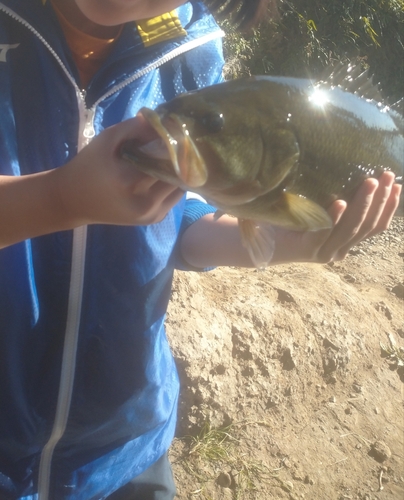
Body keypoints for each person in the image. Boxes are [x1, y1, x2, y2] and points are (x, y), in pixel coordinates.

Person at [0, 0, 400, 499]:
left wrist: (285, 239)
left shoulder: (191, 49)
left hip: (125, 450)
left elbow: (179, 220)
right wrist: (58, 199)